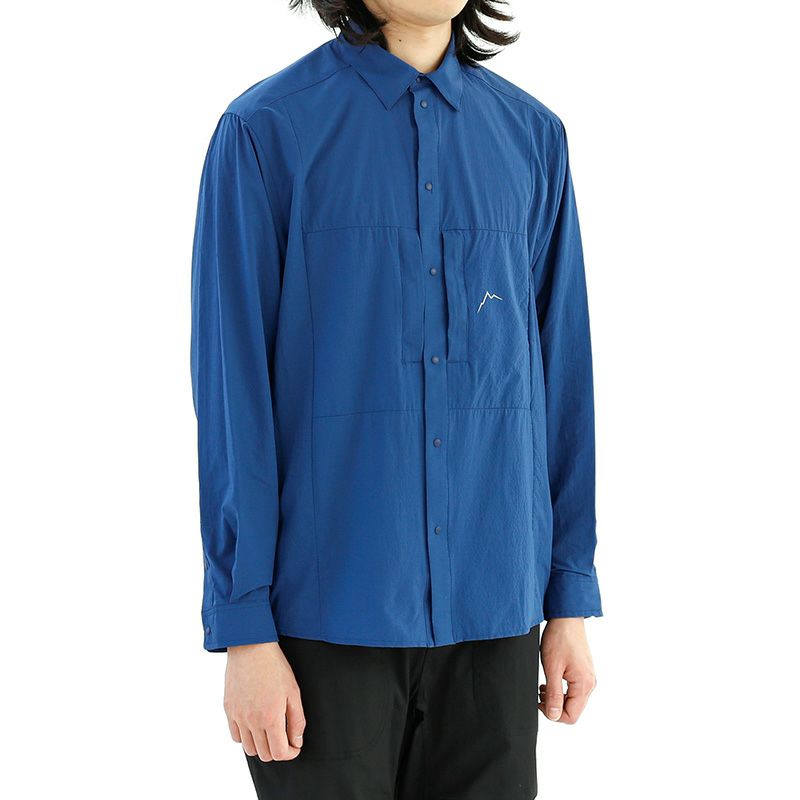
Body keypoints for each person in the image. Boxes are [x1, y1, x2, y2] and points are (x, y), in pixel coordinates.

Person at [190, 1, 602, 797]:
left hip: (497, 616)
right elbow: (233, 394)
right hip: (323, 623)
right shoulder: (265, 132)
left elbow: (562, 385)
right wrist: (245, 631)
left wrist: (568, 601)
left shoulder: (532, 138)